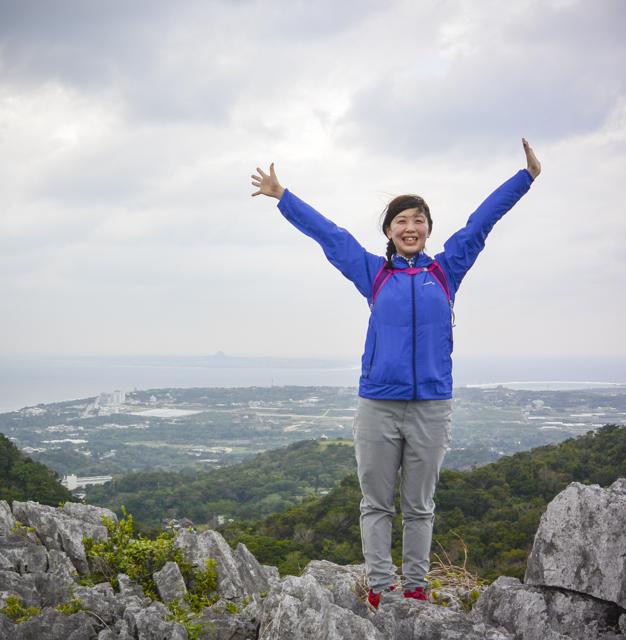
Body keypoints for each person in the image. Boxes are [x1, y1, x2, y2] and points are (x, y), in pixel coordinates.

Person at [251, 139, 541, 609]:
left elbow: (480, 223)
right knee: (376, 503)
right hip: (378, 406)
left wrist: (525, 177)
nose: (411, 227)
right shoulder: (374, 273)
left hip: (431, 406)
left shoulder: (446, 270)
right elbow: (331, 236)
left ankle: (416, 587)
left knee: (420, 506)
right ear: (389, 231)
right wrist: (283, 196)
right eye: (401, 220)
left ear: (428, 230)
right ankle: (381, 588)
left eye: (418, 220)